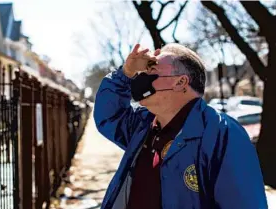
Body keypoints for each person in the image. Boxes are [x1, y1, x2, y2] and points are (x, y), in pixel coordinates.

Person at [93, 43, 267, 209]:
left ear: (180, 82)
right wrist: (126, 73)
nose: (142, 78)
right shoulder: (143, 125)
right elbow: (109, 115)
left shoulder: (223, 134)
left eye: (152, 71)